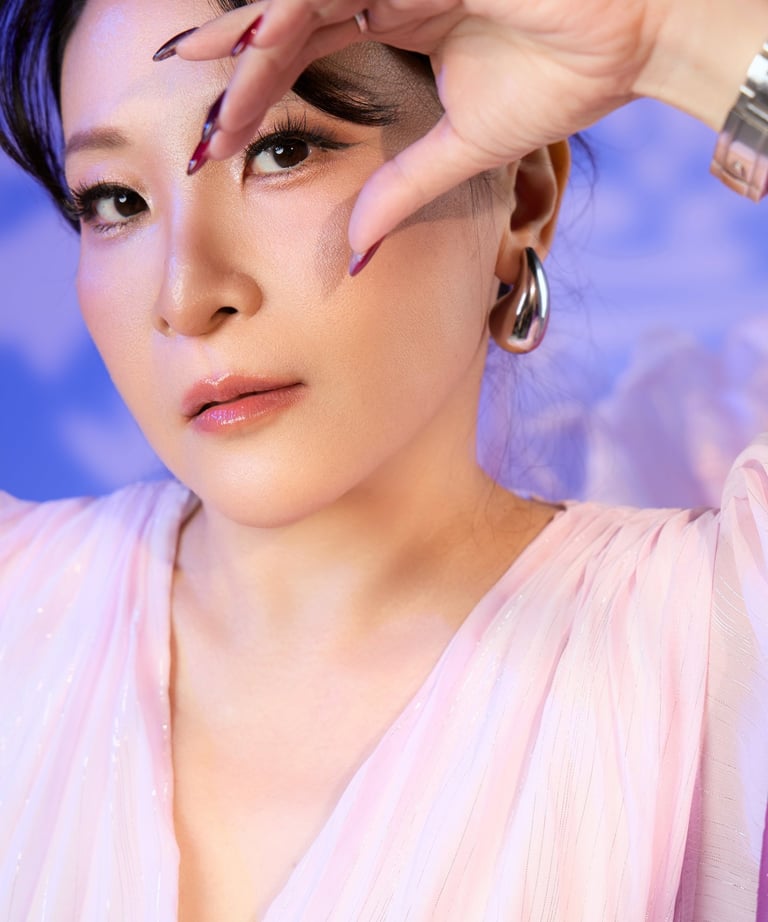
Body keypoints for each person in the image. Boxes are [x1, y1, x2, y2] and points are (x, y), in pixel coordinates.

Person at [0, 0, 767, 919]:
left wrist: (663, 36)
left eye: (281, 149)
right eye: (116, 202)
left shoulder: (721, 640)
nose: (186, 292)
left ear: (520, 198)